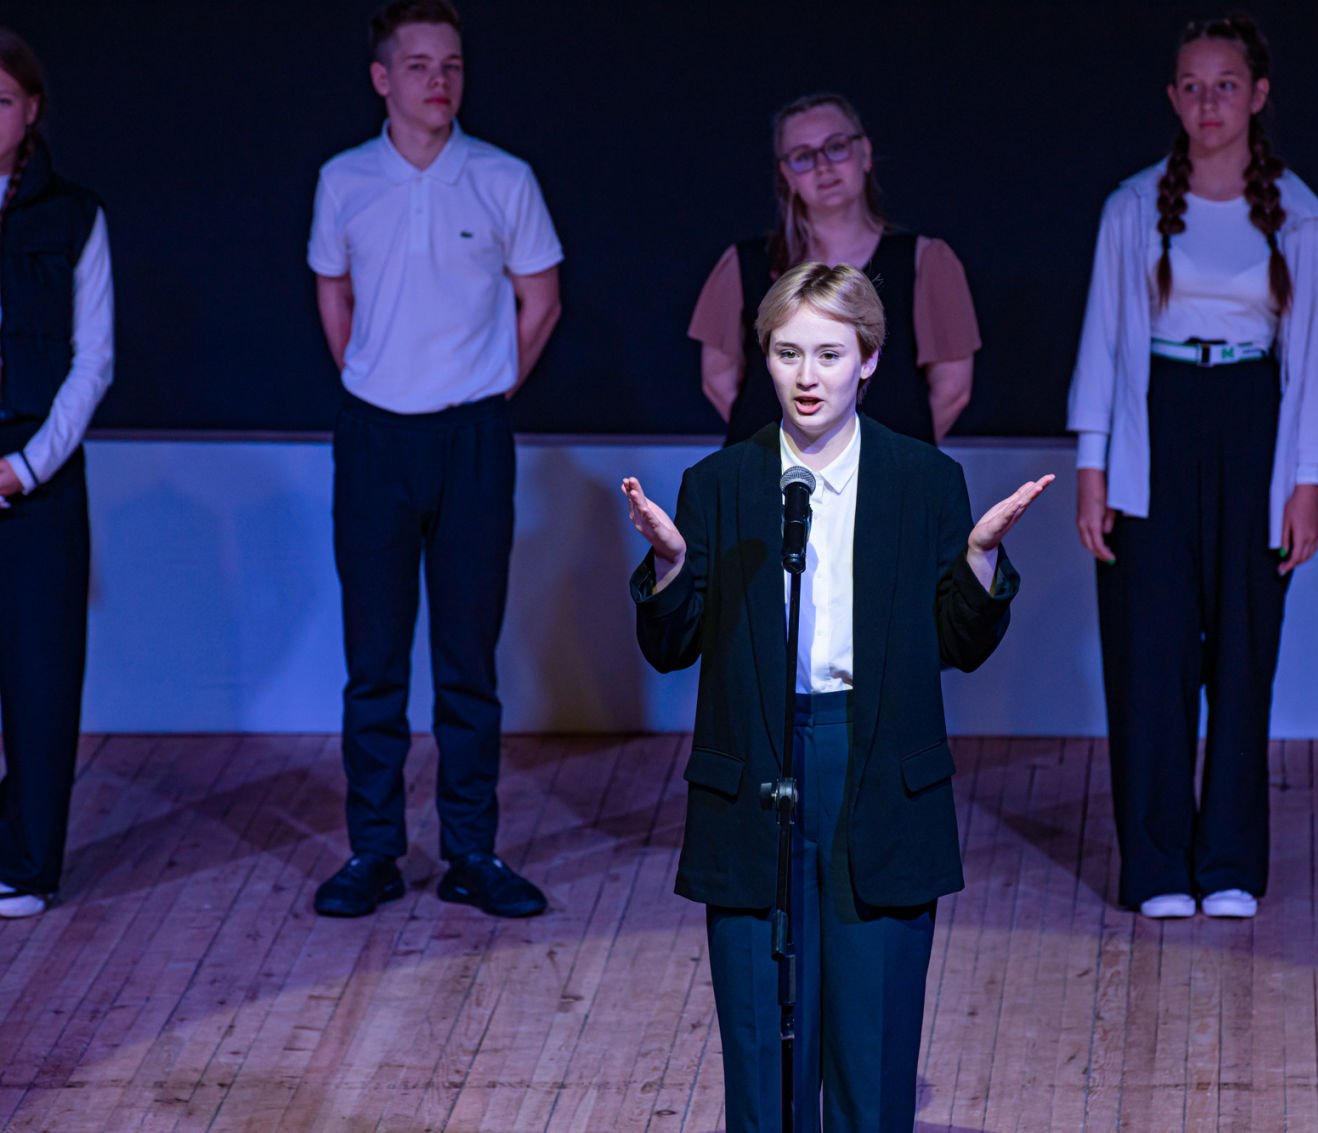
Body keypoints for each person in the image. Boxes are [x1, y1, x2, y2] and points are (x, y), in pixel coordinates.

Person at [624, 263, 1050, 1131]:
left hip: (875, 769)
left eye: (829, 353)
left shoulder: (923, 480)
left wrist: (978, 561)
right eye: (788, 353)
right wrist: (669, 568)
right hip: (757, 778)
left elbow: (960, 645)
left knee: (871, 1045)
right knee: (762, 1054)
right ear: (766, 359)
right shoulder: (719, 485)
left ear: (870, 358)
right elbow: (670, 647)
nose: (808, 376)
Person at [1068, 14, 1318, 920]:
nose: (1208, 103)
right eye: (1191, 87)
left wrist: (1308, 481)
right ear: (1172, 98)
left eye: (1225, 85)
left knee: (1241, 648)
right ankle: (1156, 863)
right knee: (1149, 650)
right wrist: (1093, 467)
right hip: (1155, 419)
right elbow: (1104, 340)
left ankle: (1228, 858)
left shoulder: (1302, 217)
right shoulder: (1132, 207)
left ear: (1257, 95)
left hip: (1250, 421)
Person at [306, 0, 563, 918]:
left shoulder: (502, 177)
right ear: (383, 78)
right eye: (418, 65)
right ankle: (374, 849)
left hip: (472, 438)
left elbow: (542, 300)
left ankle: (472, 850)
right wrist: (374, 381)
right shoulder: (344, 179)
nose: (438, 80)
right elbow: (332, 293)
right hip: (376, 437)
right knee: (374, 659)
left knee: (467, 660)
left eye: (450, 64)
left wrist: (487, 389)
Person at [689, 92, 980, 447]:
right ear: (786, 173)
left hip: (887, 474)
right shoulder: (742, 264)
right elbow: (717, 380)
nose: (822, 166)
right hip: (769, 471)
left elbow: (953, 389)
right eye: (803, 156)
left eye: (836, 147)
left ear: (865, 153)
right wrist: (793, 451)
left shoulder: (927, 261)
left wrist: (885, 460)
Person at [0, 30, 114, 920]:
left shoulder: (75, 214)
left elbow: (93, 361)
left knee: (40, 677)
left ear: (31, 110)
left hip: (39, 473)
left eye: (1, 101)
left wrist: (25, 467)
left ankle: (28, 864)